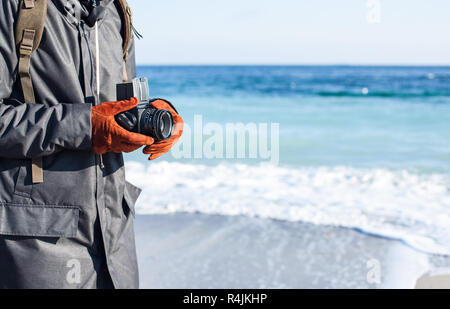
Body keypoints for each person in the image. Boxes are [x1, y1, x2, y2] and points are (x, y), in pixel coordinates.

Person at [0, 0, 183, 288]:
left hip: (115, 236)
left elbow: (123, 106)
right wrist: (86, 125)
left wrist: (156, 117)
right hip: (38, 240)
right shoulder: (14, 5)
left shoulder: (116, 10)